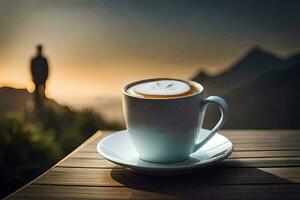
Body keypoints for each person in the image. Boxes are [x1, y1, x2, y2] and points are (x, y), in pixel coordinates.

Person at [30, 44, 49, 109]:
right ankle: (38, 107)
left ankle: (42, 107)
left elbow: (47, 69)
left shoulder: (42, 59)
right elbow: (32, 69)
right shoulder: (36, 59)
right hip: (37, 79)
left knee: (42, 94)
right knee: (37, 94)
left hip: (42, 79)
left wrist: (45, 78)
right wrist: (33, 77)